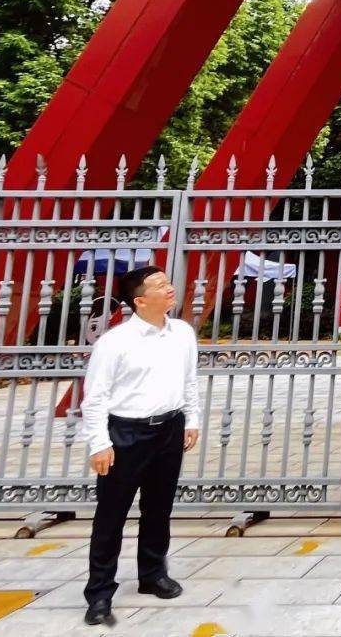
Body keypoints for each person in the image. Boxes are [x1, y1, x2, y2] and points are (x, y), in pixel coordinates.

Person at [80, 266, 200, 627]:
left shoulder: (182, 333)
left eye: (168, 282)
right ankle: (100, 593)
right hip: (125, 434)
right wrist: (100, 444)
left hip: (169, 428)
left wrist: (191, 419)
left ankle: (152, 574)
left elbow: (189, 379)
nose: (170, 288)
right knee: (111, 515)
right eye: (160, 286)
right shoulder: (115, 342)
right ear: (140, 300)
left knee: (158, 508)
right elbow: (95, 398)